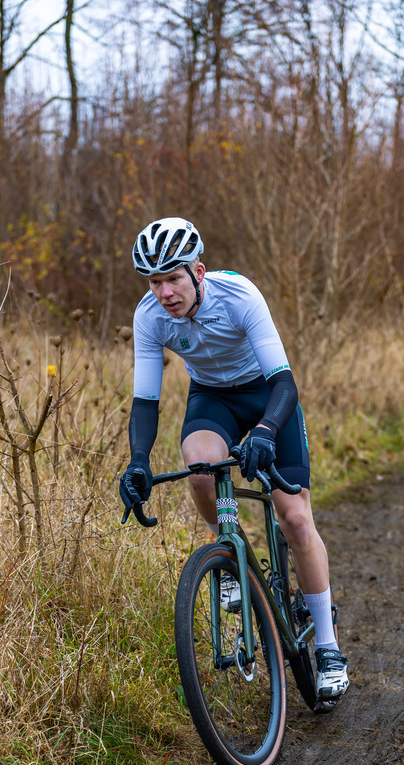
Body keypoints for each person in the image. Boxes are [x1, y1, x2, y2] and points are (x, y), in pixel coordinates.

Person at [119, 217, 349, 709]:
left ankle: (328, 647)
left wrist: (265, 432)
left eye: (173, 278)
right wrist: (138, 461)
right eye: (154, 282)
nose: (164, 293)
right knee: (201, 469)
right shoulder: (149, 316)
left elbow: (284, 382)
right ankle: (229, 559)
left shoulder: (239, 296)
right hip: (213, 398)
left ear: (198, 272)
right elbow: (145, 402)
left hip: (268, 396)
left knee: (294, 517)